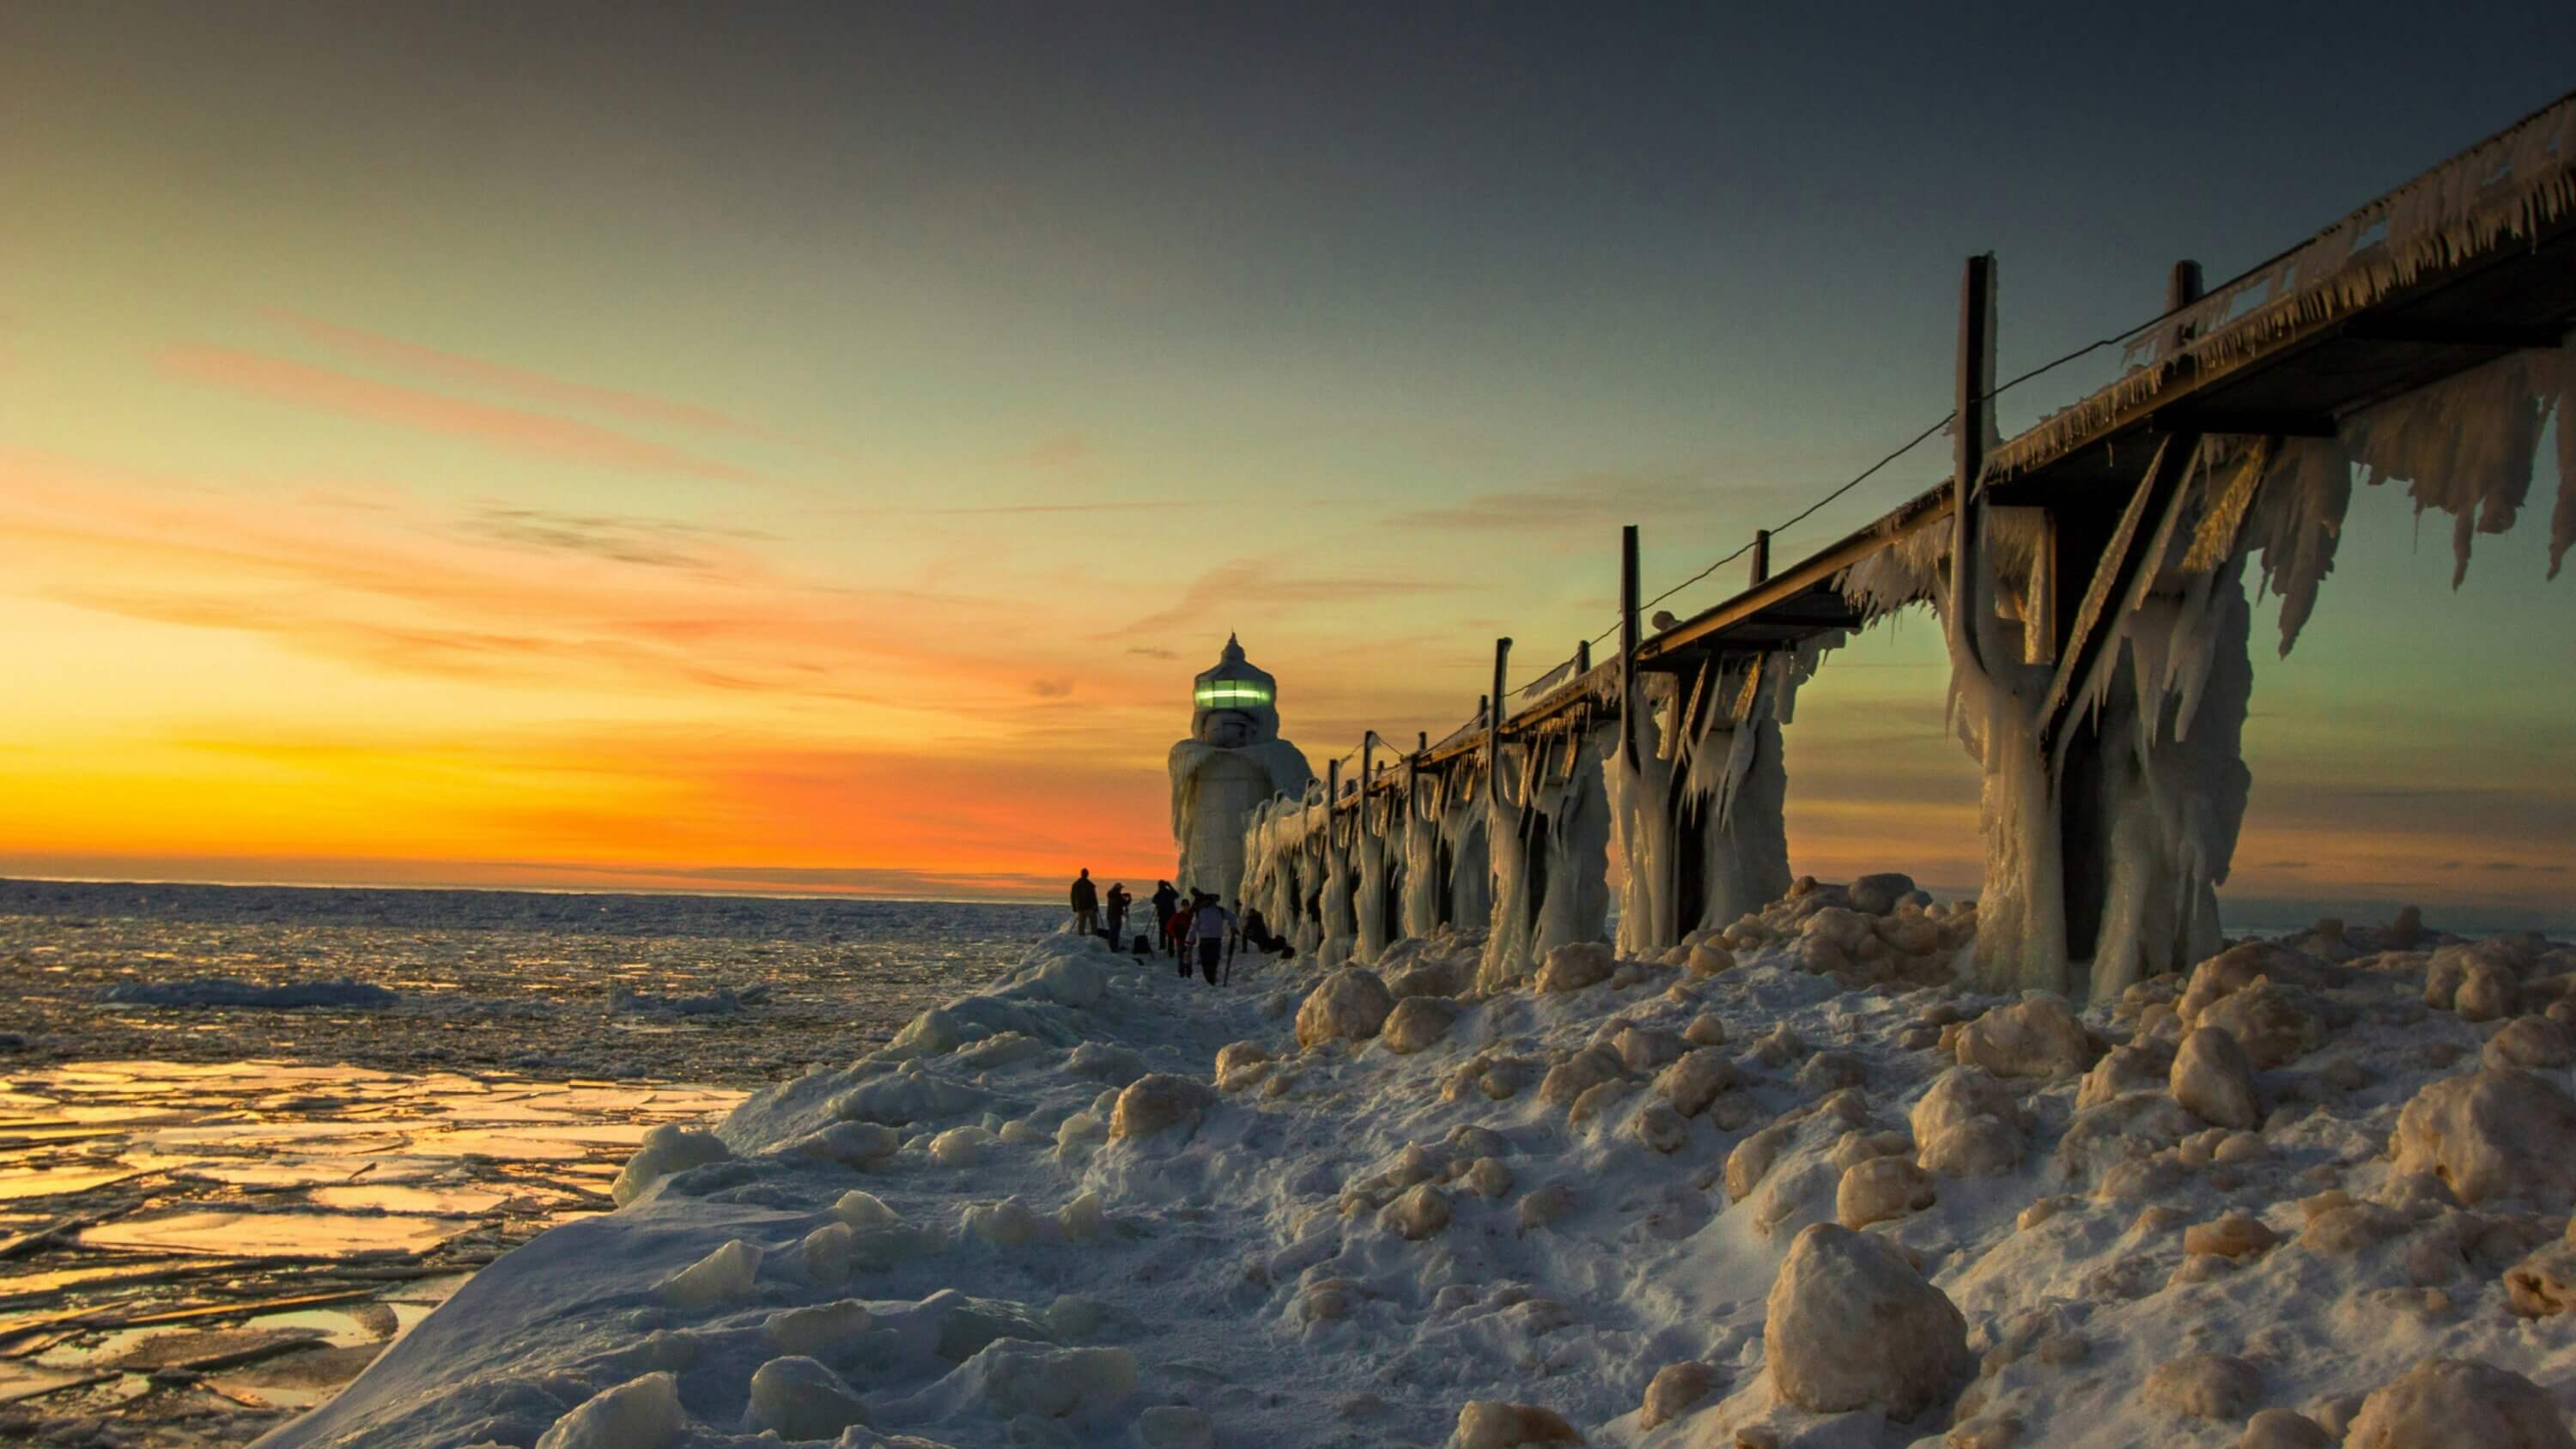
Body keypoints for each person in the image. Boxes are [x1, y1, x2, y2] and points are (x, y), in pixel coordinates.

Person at [1189, 893, 1235, 985]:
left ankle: (1209, 980)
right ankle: (1212, 979)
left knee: (1205, 962)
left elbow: (1193, 928)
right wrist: (1233, 927)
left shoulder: (1200, 912)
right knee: (1213, 961)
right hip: (1216, 941)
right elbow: (1233, 917)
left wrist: (1189, 942)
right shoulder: (1220, 911)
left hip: (1205, 941)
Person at [1150, 881, 1181, 955]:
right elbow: (1177, 895)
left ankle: (1162, 947)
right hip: (1171, 916)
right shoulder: (1169, 893)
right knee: (1170, 933)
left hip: (1163, 916)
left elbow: (1154, 900)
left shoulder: (1159, 894)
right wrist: (1170, 887)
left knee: (1162, 932)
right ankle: (1171, 949)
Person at [1164, 902, 1194, 977]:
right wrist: (1175, 935)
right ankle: (1181, 973)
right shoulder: (1178, 916)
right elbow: (1169, 927)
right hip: (1180, 940)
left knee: (1188, 958)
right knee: (1181, 958)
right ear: (1182, 907)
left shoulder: (1192, 916)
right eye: (1184, 906)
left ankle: (1188, 974)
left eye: (1187, 906)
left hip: (1189, 941)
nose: (1186, 907)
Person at [1069, 869, 1097, 937]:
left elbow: (1073, 897)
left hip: (1080, 907)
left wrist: (1074, 907)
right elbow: (1093, 896)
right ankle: (1094, 935)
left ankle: (1081, 936)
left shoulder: (1076, 884)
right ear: (1087, 874)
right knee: (1093, 922)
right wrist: (1096, 906)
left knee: (1081, 924)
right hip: (1089, 907)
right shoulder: (1090, 884)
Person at [1104, 882, 1132, 951]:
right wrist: (1129, 899)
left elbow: (1117, 900)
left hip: (1110, 915)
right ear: (1118, 888)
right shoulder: (1118, 895)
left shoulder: (1110, 894)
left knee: (1112, 931)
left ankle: (1111, 946)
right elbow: (1123, 903)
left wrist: (1122, 896)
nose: (1121, 889)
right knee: (1116, 931)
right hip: (1116, 915)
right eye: (1120, 888)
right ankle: (1115, 947)